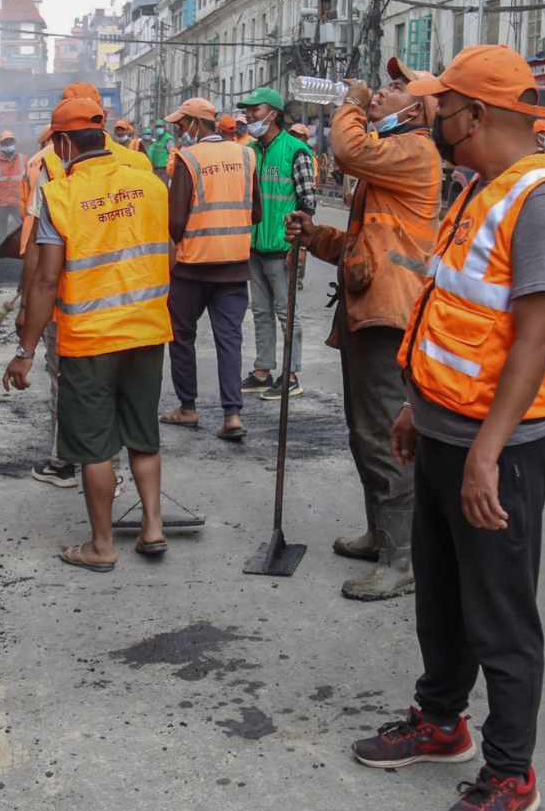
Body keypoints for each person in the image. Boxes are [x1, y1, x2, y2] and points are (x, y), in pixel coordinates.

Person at [352, 45, 545, 811]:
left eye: (442, 109)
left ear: (479, 114)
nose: (434, 121)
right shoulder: (480, 191)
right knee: (444, 598)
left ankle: (510, 771)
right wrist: (420, 407)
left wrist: (487, 451)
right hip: (447, 429)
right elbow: (453, 310)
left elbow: (533, 339)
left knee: (501, 613)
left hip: (504, 449)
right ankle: (440, 719)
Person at [287, 66, 443, 603]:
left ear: (418, 109)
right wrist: (318, 237)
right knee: (364, 432)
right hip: (366, 308)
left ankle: (402, 560)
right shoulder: (393, 158)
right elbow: (367, 242)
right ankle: (383, 534)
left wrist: (349, 102)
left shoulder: (415, 151)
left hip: (390, 314)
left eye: (395, 88)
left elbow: (348, 150)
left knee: (384, 437)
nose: (380, 91)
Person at [2, 97, 173, 571]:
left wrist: (25, 349)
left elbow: (44, 279)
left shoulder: (61, 195)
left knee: (95, 445)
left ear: (61, 142)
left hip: (90, 338)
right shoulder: (150, 183)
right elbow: (169, 251)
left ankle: (101, 545)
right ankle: (153, 527)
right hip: (146, 331)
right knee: (143, 433)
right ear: (101, 134)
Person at [165, 97, 259, 441]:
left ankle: (187, 408)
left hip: (193, 268)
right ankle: (232, 416)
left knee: (181, 336)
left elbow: (176, 222)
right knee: (229, 341)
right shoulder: (246, 155)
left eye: (181, 123)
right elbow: (257, 212)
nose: (178, 129)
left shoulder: (188, 158)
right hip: (234, 267)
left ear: (194, 124)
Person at [239, 86, 316, 402]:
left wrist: (298, 247)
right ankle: (263, 371)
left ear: (272, 113)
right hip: (255, 247)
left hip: (283, 248)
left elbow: (307, 202)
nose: (248, 116)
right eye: (247, 111)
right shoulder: (251, 151)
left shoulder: (296, 151)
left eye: (254, 110)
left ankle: (292, 374)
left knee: (288, 314)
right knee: (260, 311)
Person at [0, 129, 26, 245]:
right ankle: (2, 255)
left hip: (18, 202)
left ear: (14, 143)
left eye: (10, 142)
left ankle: (21, 252)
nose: (8, 145)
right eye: (5, 143)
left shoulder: (23, 159)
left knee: (23, 229)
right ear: (1, 145)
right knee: (1, 233)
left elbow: (29, 181)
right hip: (0, 202)